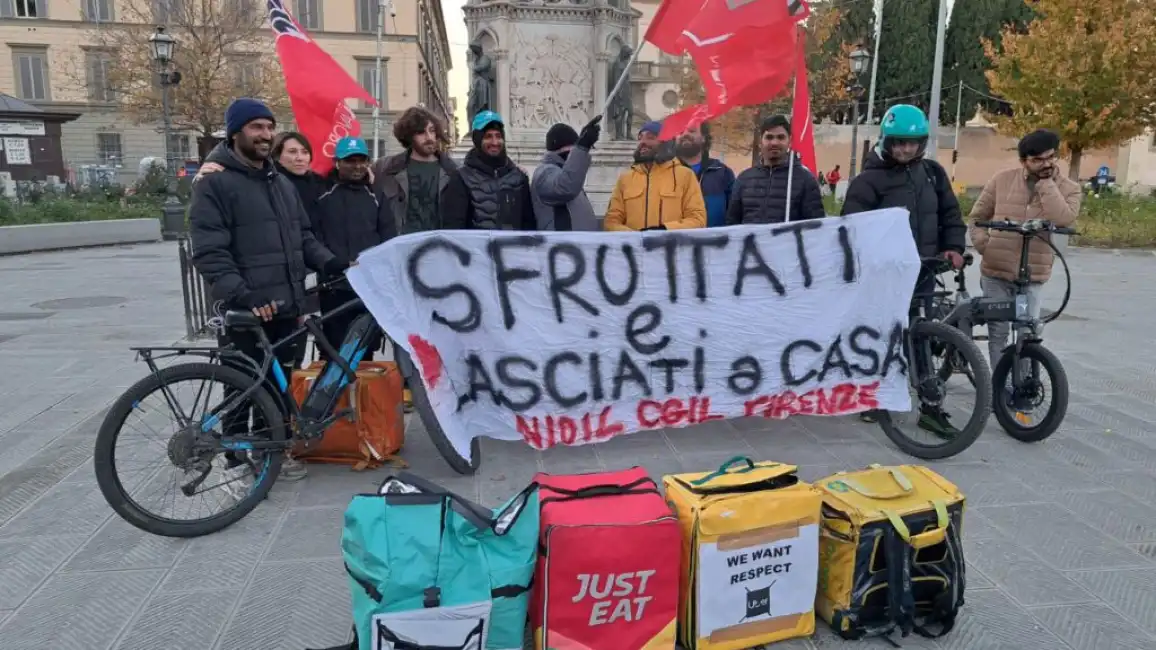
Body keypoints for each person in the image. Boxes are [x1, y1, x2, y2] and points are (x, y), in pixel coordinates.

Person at [190, 98, 346, 485]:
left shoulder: (279, 183)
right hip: (249, 307)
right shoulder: (215, 183)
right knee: (242, 384)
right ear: (236, 132)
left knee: (277, 385)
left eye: (269, 127)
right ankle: (235, 457)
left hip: (286, 302)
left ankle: (268, 450)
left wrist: (332, 263)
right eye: (256, 127)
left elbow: (303, 237)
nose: (265, 134)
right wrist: (244, 295)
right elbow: (210, 252)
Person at [841, 104, 966, 437]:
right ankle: (875, 397)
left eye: (912, 143)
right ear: (887, 141)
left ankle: (930, 406)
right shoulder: (868, 181)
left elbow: (950, 214)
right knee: (883, 336)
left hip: (924, 270)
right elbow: (852, 228)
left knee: (921, 336)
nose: (905, 149)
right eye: (898, 142)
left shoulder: (933, 173)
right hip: (885, 274)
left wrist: (954, 247)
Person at [968, 128, 1081, 365]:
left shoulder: (1069, 188)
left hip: (1033, 274)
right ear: (1024, 161)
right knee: (998, 330)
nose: (1046, 164)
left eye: (1050, 157)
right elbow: (977, 217)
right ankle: (999, 386)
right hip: (995, 271)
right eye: (1037, 160)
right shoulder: (1002, 180)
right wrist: (983, 244)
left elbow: (1063, 218)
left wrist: (1046, 184)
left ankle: (1023, 385)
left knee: (1028, 332)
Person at [313, 136, 396, 363]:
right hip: (333, 287)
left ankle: (361, 398)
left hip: (367, 288)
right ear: (337, 162)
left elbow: (388, 236)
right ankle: (334, 398)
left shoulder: (376, 195)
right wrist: (330, 263)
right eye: (350, 161)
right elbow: (313, 236)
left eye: (362, 160)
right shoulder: (321, 193)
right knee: (332, 352)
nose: (357, 166)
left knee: (364, 351)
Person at [603, 121, 707, 231]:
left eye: (650, 138)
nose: (643, 142)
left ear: (665, 143)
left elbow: (698, 220)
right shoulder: (625, 179)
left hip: (669, 247)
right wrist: (635, 237)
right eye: (640, 138)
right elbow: (611, 222)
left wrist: (664, 230)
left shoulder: (685, 175)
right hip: (635, 246)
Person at [372, 105, 462, 233]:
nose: (429, 137)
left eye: (432, 130)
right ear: (409, 136)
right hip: (402, 246)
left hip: (440, 246)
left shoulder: (454, 171)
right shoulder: (385, 168)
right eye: (421, 132)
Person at [442, 110, 536, 230]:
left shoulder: (519, 178)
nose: (495, 142)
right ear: (477, 139)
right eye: (488, 136)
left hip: (512, 248)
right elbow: (453, 228)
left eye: (498, 136)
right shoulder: (461, 178)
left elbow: (529, 226)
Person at [727, 115, 825, 225]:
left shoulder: (805, 180)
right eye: (769, 137)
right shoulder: (744, 179)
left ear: (790, 140)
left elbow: (816, 228)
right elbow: (732, 224)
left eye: (780, 137)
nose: (774, 143)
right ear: (760, 141)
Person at [530, 117, 602, 231]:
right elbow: (565, 187)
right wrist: (582, 146)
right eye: (573, 151)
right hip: (562, 246)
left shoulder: (569, 173)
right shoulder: (544, 173)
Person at [674, 121, 736, 228]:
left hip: (714, 241)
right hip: (677, 241)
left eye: (692, 131)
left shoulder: (723, 172)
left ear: (704, 138)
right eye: (680, 132)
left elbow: (734, 214)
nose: (685, 134)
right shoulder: (666, 172)